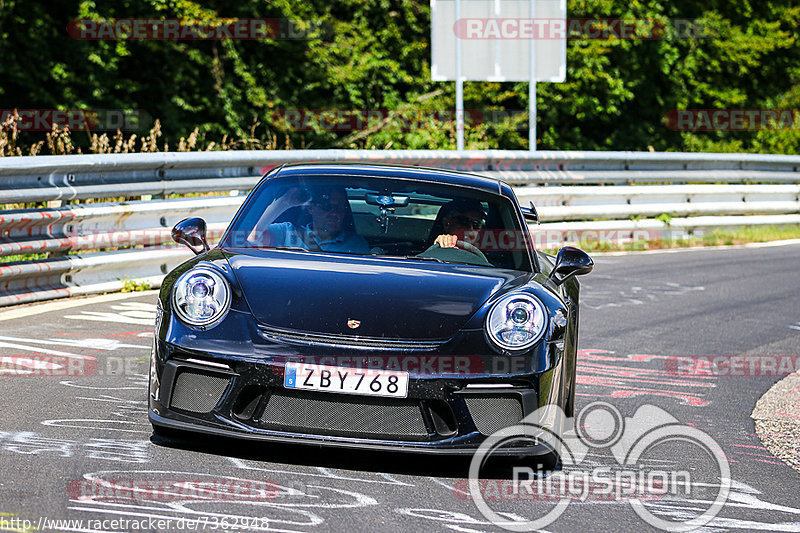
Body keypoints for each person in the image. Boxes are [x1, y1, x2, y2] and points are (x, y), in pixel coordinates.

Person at [248, 185, 369, 254]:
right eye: (327, 206)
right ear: (310, 208)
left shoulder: (356, 243)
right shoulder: (287, 231)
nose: (334, 213)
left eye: (340, 207)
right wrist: (285, 202)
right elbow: (252, 237)